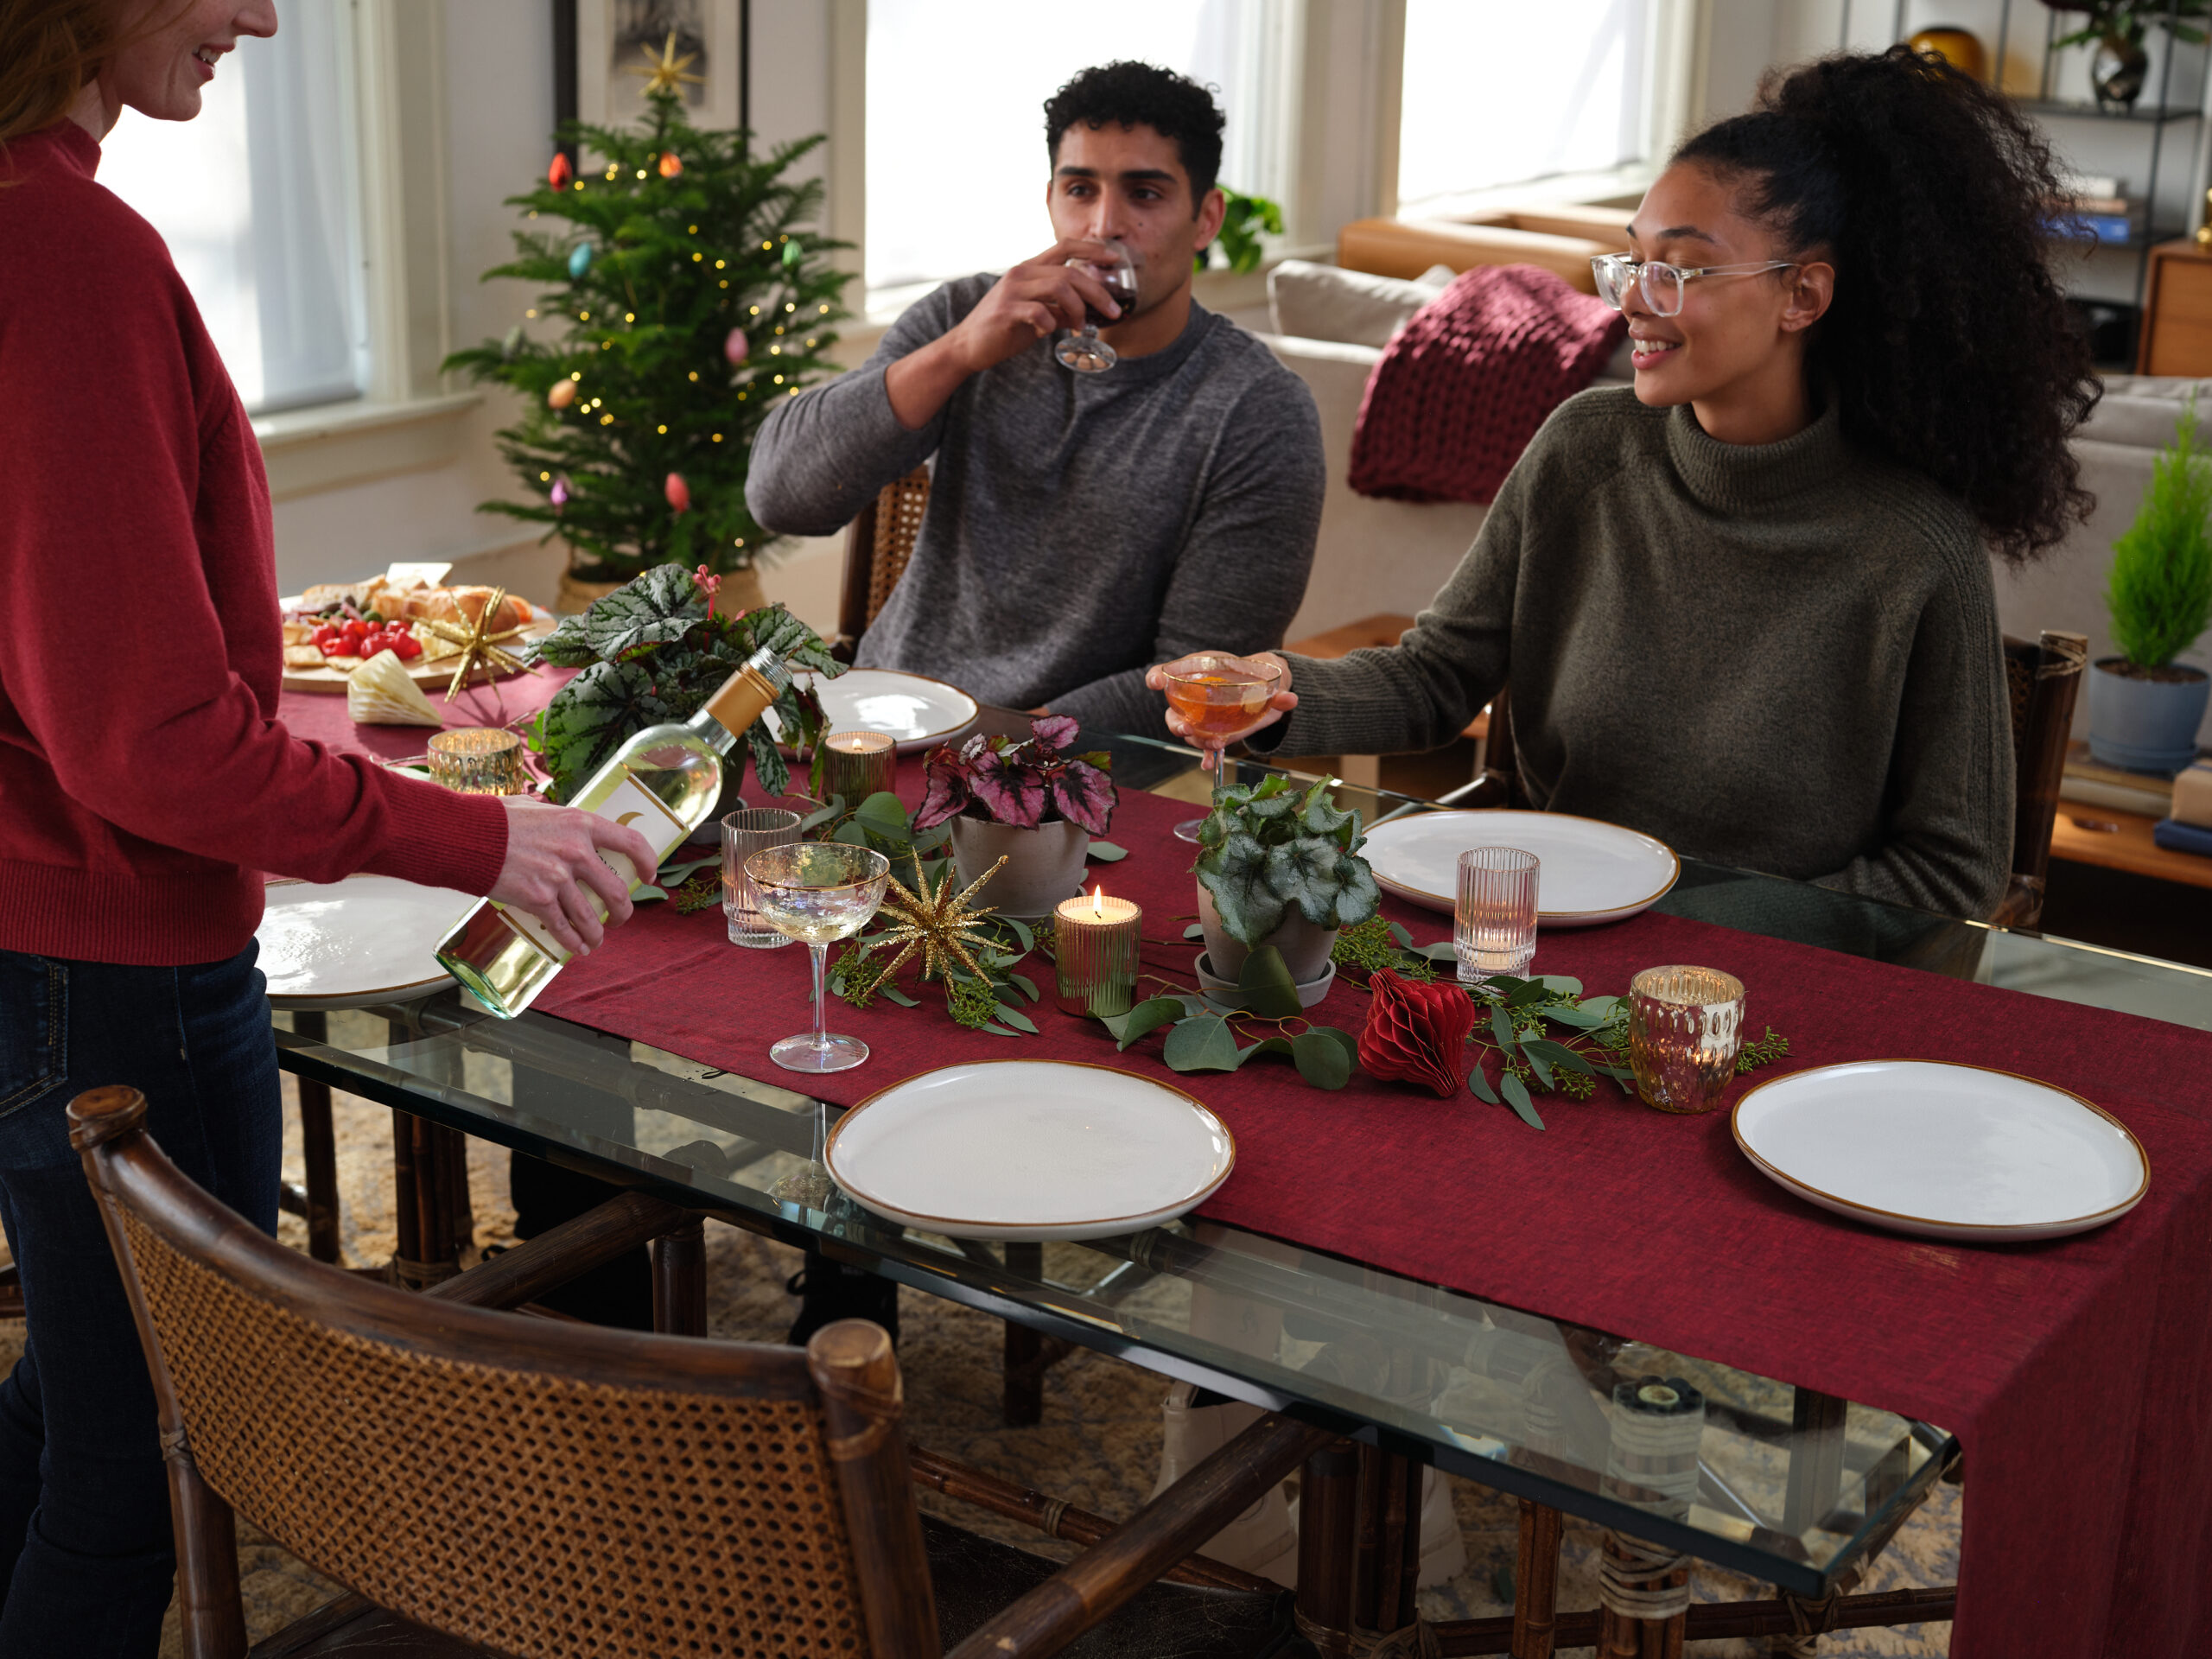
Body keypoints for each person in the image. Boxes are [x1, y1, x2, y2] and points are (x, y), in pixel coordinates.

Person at [0, 3, 660, 1650]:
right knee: (149, 1463)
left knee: (67, 1398)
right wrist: (482, 841)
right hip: (116, 971)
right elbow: (148, 743)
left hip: (34, 949)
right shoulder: (64, 249)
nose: (263, 13)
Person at [1154, 47, 2100, 923]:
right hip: (1535, 957)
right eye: (1634, 259)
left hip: (1765, 994)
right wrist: (1272, 691)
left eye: (1683, 268)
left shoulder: (1911, 546)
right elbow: (1437, 677)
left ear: (1802, 296)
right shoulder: (1586, 448)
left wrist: (1698, 932)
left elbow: (1951, 871)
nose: (1636, 299)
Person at [746, 59, 1325, 743]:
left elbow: (1196, 683)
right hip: (879, 725)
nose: (1105, 224)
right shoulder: (966, 315)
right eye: (1081, 189)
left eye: (1145, 194)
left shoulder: (1257, 412)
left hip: (1068, 774)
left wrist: (986, 751)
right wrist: (959, 352)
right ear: (1050, 200)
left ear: (1206, 219)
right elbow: (778, 499)